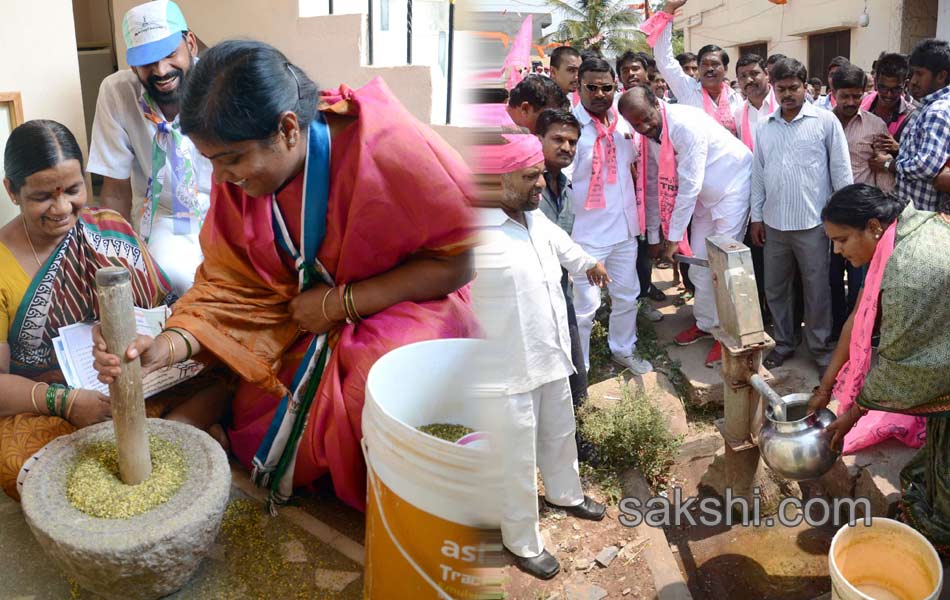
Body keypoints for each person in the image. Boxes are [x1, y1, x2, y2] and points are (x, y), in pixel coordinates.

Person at [93, 41, 479, 512]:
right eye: (210, 160)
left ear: (288, 129)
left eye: (231, 159)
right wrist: (166, 346)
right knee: (255, 398)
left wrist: (341, 304)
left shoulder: (391, 146)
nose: (221, 177)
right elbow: (230, 285)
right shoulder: (235, 175)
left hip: (405, 299)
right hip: (300, 309)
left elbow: (459, 261)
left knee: (369, 382)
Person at [0, 120, 219, 499]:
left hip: (135, 378)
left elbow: (164, 311)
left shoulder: (109, 227)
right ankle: (182, 432)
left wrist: (144, 347)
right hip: (50, 401)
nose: (63, 207)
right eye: (42, 197)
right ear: (12, 191)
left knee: (225, 364)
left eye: (73, 190)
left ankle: (172, 429)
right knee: (18, 461)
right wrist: (66, 402)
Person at [474, 133, 608, 580]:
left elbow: (566, 250)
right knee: (514, 457)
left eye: (540, 174)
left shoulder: (534, 219)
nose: (540, 183)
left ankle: (565, 494)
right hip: (506, 369)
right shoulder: (475, 232)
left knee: (558, 431)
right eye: (530, 176)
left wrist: (590, 263)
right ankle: (522, 541)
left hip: (550, 353)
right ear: (499, 180)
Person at [810, 184, 949, 554]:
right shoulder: (901, 234)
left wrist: (853, 414)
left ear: (873, 226)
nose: (838, 252)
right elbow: (857, 317)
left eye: (841, 241)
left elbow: (900, 365)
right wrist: (825, 389)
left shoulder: (908, 271)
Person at [620, 86, 753, 367]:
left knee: (725, 267)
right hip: (704, 198)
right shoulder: (650, 137)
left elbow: (689, 185)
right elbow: (656, 186)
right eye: (636, 124)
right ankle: (706, 324)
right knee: (698, 265)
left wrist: (673, 239)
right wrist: (656, 235)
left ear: (657, 103)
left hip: (733, 188)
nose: (643, 127)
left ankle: (729, 337)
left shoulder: (684, 125)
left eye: (646, 118)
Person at [87, 0, 211, 297]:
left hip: (230, 207)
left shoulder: (221, 81)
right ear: (131, 63)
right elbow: (115, 187)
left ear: (190, 43)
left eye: (169, 54)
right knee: (174, 281)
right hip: (165, 213)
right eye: (146, 61)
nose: (161, 70)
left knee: (234, 285)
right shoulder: (117, 92)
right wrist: (113, 259)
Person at [749, 58, 853, 370]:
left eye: (794, 87)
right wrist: (756, 217)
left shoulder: (824, 122)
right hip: (775, 225)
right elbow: (758, 175)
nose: (788, 94)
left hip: (814, 226)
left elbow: (842, 174)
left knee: (817, 290)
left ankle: (820, 349)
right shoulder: (764, 125)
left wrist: (842, 223)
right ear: (773, 88)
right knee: (776, 289)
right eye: (781, 89)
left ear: (805, 87)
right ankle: (784, 343)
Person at [568, 58, 652, 375]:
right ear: (579, 86)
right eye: (592, 87)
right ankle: (581, 367)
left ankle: (623, 348)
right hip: (586, 235)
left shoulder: (624, 123)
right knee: (585, 309)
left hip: (624, 230)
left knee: (627, 296)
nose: (600, 94)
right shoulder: (570, 128)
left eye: (607, 87)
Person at [828, 63, 893, 341]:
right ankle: (835, 329)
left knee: (860, 281)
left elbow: (881, 173)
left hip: (861, 219)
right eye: (845, 96)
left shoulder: (875, 126)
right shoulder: (821, 122)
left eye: (857, 96)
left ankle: (858, 334)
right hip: (830, 217)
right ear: (834, 93)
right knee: (831, 278)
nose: (851, 102)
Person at [536, 109, 588, 410]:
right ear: (538, 138)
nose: (566, 147)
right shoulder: (526, 187)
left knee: (573, 366)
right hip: (534, 297)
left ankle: (581, 433)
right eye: (558, 139)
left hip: (561, 291)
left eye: (572, 142)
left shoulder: (566, 187)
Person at [642, 0, 742, 134]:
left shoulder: (736, 98)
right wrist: (669, 10)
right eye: (705, 64)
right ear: (699, 69)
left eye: (715, 64)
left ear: (725, 69)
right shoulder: (687, 89)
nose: (710, 69)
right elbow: (663, 59)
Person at [875, 39, 950, 214]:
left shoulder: (938, 110)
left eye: (920, 74)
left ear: (941, 76)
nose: (913, 81)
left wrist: (889, 165)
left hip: (920, 213)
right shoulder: (927, 105)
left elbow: (927, 165)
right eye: (912, 74)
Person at [733, 53, 776, 327]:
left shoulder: (784, 105)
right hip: (752, 198)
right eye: (743, 76)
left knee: (785, 266)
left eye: (754, 73)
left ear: (766, 75)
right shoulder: (738, 114)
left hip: (784, 197)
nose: (749, 80)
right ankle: (763, 315)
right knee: (758, 258)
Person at [864, 53, 916, 171]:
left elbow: (919, 162)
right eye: (883, 88)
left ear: (905, 84)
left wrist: (898, 148)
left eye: (896, 89)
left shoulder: (912, 117)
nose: (888, 95)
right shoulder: (861, 104)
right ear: (876, 82)